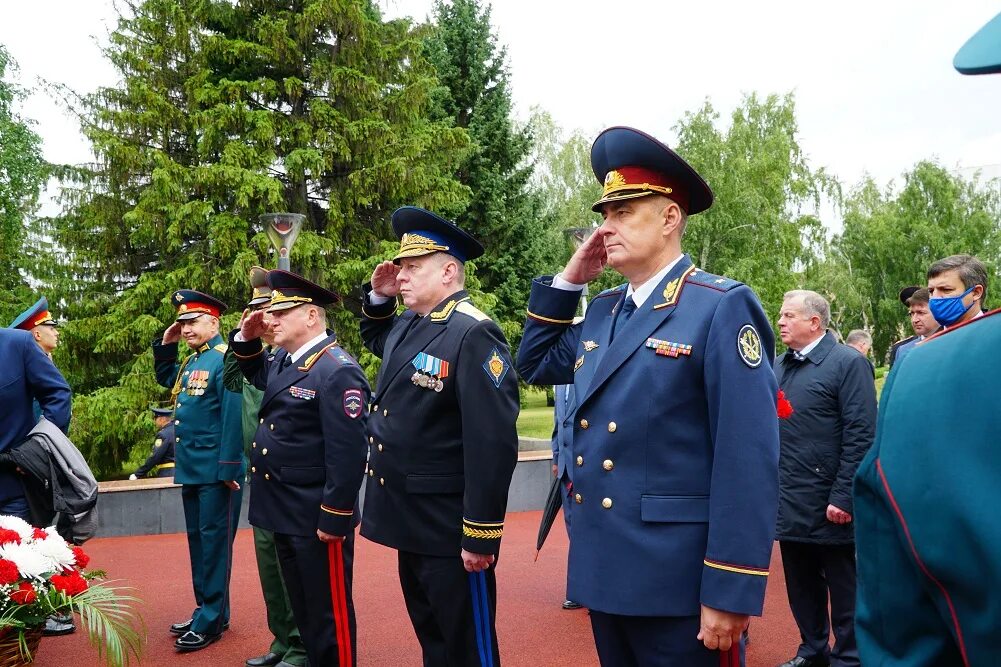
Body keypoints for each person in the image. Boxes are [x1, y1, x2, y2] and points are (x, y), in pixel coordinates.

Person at [517, 126, 780, 667]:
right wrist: (570, 280)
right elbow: (535, 363)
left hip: (677, 581)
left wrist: (730, 588)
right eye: (605, 214)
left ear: (668, 218)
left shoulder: (719, 306)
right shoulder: (603, 309)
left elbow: (746, 457)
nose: (605, 227)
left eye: (623, 212)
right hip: (606, 569)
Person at [853, 20, 1001, 665]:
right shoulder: (918, 368)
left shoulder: (934, 380)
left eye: (945, 290)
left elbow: (901, 627)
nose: (931, 303)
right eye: (928, 293)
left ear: (975, 292)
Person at [358, 206, 519, 666]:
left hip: (450, 528)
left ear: (449, 271)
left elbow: (493, 446)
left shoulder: (473, 332)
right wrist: (377, 297)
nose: (401, 275)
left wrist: (481, 534)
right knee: (434, 640)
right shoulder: (412, 323)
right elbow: (380, 339)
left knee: (467, 647)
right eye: (401, 266)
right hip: (410, 520)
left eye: (413, 267)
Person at [233, 270, 369, 667]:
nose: (270, 320)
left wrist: (336, 515)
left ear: (311, 316)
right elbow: (256, 372)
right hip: (283, 509)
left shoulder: (336, 369)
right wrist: (246, 336)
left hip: (316, 515)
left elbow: (348, 454)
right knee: (305, 609)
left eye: (281, 312)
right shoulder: (285, 359)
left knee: (330, 616)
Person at [774, 290, 877, 667]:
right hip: (789, 497)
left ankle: (849, 656)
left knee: (843, 584)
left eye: (788, 316)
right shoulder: (778, 364)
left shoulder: (847, 363)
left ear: (814, 322)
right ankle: (812, 649)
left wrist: (845, 496)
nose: (781, 322)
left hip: (830, 500)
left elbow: (862, 434)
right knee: (800, 584)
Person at [224, 266, 307, 667]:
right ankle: (282, 641)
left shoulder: (301, 359)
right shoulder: (267, 357)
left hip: (292, 481)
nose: (266, 319)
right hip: (265, 477)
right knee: (270, 569)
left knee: (293, 570)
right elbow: (230, 378)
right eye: (259, 311)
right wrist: (245, 336)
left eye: (272, 311)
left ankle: (302, 645)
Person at [153, 290, 244, 652]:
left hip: (216, 471)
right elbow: (166, 380)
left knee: (215, 545)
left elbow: (234, 416)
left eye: (192, 322)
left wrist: (229, 467)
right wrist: (166, 345)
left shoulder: (227, 359)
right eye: (182, 322)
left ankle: (212, 620)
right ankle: (208, 609)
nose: (185, 328)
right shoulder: (194, 361)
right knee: (199, 542)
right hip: (192, 468)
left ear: (213, 322)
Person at [550, 382, 581, 611]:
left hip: (586, 468)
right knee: (573, 529)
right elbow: (558, 423)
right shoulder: (559, 383)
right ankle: (579, 588)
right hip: (565, 469)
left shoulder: (589, 372)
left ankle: (589, 588)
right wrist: (556, 456)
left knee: (589, 531)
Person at [926, 254, 988, 329]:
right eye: (931, 291)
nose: (935, 297)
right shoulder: (929, 340)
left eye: (946, 289)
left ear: (976, 292)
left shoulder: (995, 334)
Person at [888, 287, 938, 368]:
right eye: (911, 314)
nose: (914, 320)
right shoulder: (902, 351)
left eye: (921, 313)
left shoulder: (955, 342)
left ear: (938, 311)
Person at [129, 407, 176, 479]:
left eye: (155, 418)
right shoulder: (179, 430)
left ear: (162, 419)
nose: (154, 421)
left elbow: (155, 457)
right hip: (181, 473)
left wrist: (137, 474)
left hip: (167, 473)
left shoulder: (163, 434)